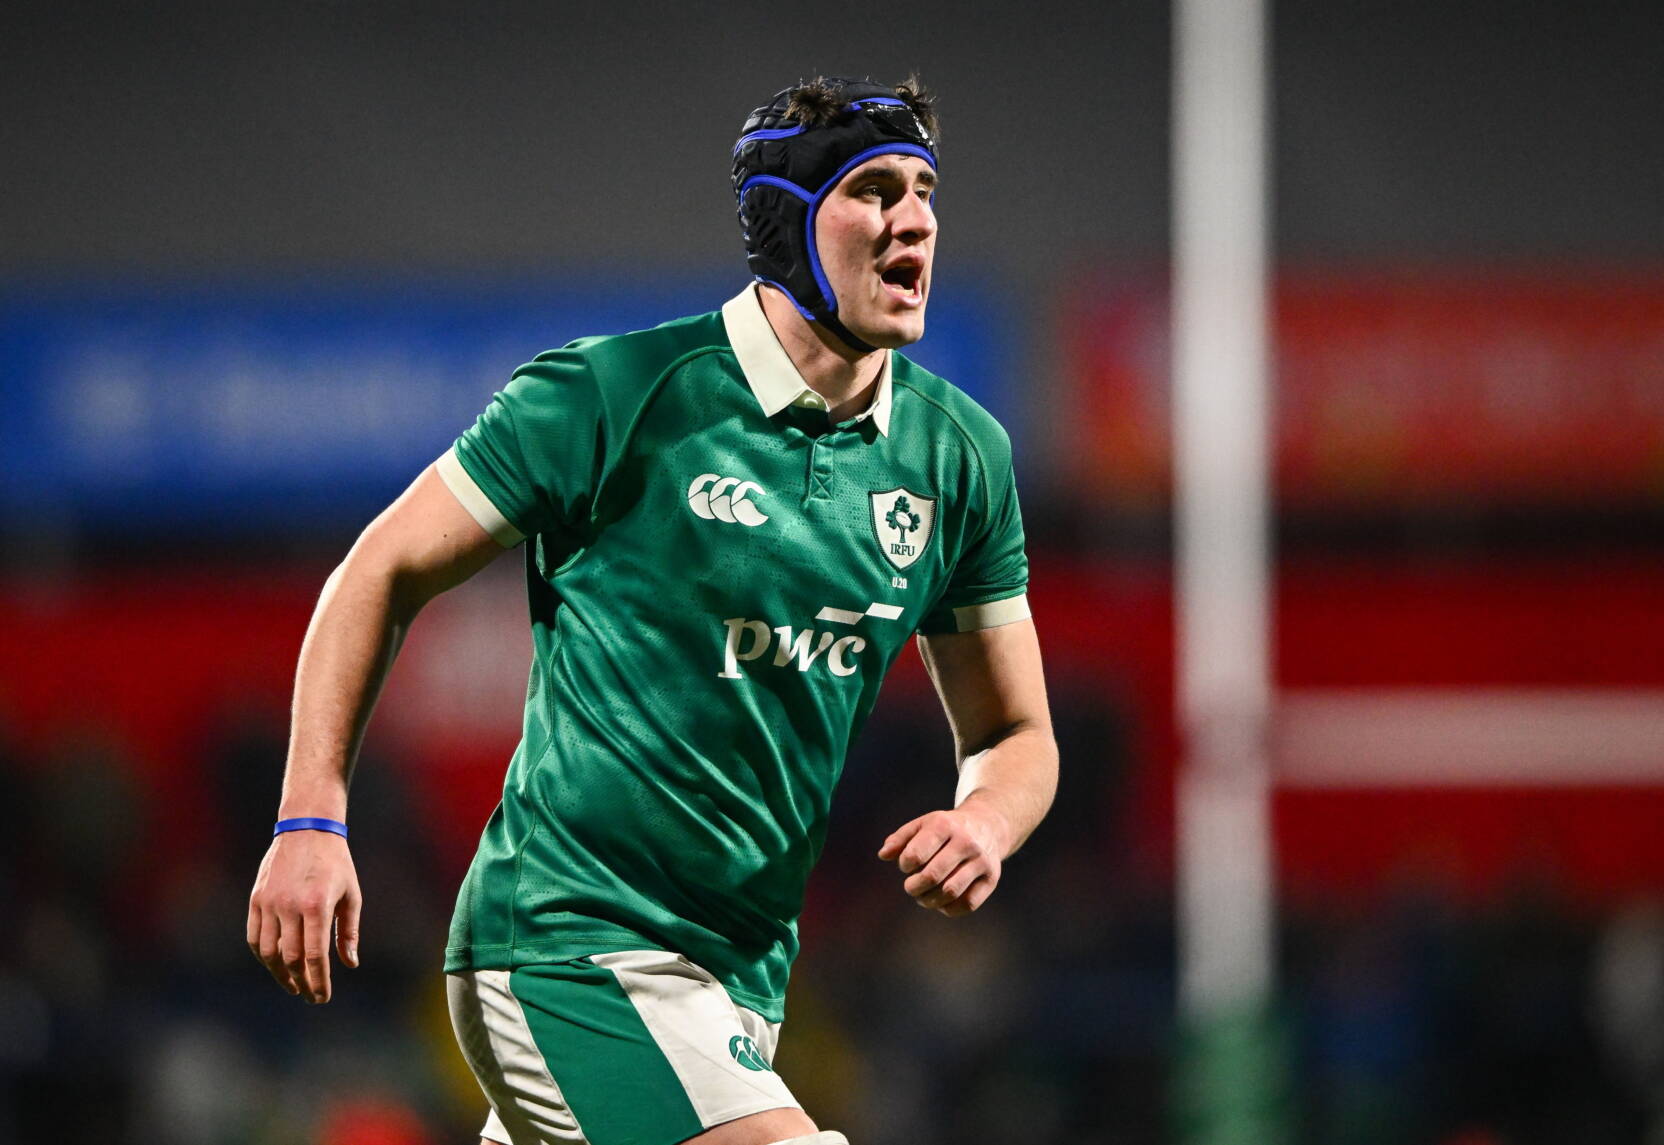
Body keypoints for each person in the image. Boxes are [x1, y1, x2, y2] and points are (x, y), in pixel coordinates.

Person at [247, 75, 1058, 1145]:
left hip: (740, 987)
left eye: (923, 191)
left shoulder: (958, 456)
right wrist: (310, 817)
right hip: (563, 944)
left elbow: (1012, 729)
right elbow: (377, 571)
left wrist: (983, 820)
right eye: (872, 190)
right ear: (788, 221)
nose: (912, 220)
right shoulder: (617, 394)